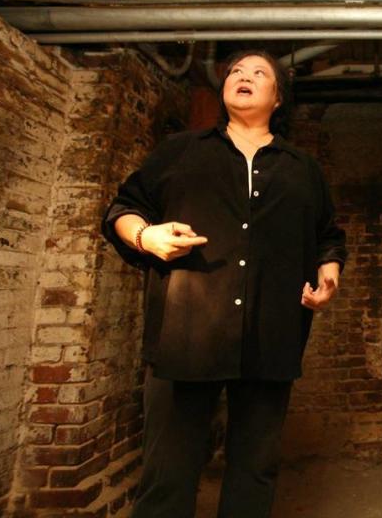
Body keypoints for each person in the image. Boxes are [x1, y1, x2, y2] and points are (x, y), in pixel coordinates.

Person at [100, 49, 347, 517]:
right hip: (184, 334)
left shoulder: (302, 170)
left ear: (278, 98)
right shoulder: (182, 151)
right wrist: (146, 235)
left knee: (254, 473)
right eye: (236, 70)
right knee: (166, 478)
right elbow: (122, 208)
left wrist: (328, 273)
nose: (244, 76)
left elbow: (328, 236)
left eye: (259, 73)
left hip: (271, 334)